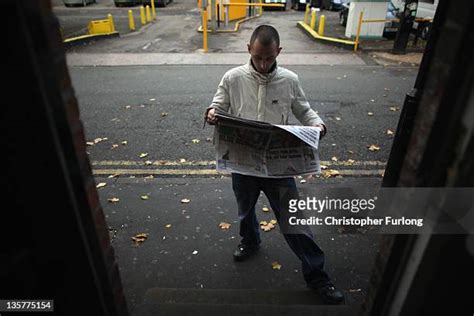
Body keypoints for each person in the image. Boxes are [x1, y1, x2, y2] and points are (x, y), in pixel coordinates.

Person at [204, 25, 344, 304]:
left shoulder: (289, 79)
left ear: (278, 51)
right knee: (245, 212)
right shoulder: (232, 77)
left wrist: (316, 124)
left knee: (294, 222)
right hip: (244, 164)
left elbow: (303, 109)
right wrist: (211, 113)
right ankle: (251, 241)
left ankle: (317, 276)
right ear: (249, 50)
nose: (263, 64)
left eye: (268, 58)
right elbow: (218, 103)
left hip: (279, 169)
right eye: (258, 58)